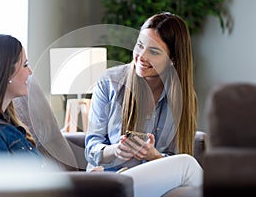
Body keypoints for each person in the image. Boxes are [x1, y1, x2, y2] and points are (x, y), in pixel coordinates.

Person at [84, 12, 203, 196]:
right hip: (110, 178)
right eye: (140, 45)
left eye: (154, 51)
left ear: (173, 59)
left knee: (187, 168)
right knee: (188, 165)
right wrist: (117, 151)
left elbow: (176, 157)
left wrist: (153, 156)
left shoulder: (183, 97)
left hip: (153, 183)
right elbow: (91, 149)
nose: (141, 56)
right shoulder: (109, 82)